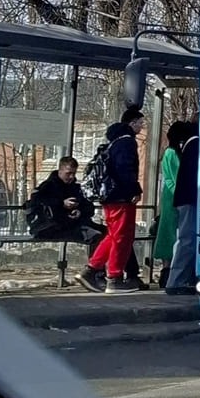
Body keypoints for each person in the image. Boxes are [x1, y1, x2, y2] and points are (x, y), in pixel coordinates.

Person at [74, 107, 145, 294]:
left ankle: (91, 270)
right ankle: (114, 278)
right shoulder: (127, 142)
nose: (141, 126)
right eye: (140, 122)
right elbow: (125, 169)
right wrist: (135, 189)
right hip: (121, 197)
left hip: (110, 196)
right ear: (131, 123)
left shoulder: (113, 142)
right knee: (122, 237)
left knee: (113, 235)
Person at [26, 156, 105, 247]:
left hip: (72, 224)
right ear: (60, 171)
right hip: (50, 227)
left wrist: (79, 212)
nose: (71, 177)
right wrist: (61, 203)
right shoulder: (47, 187)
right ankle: (97, 257)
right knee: (95, 236)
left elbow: (89, 208)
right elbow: (37, 202)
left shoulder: (76, 188)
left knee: (109, 233)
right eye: (68, 173)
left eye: (73, 173)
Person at [152, 121, 192, 288]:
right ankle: (168, 270)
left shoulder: (169, 152)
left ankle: (166, 269)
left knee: (169, 230)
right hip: (174, 195)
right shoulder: (172, 153)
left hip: (171, 194)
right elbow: (176, 176)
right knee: (172, 231)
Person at [165, 116, 200, 295]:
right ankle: (176, 281)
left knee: (187, 238)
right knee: (188, 239)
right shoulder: (195, 144)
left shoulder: (188, 144)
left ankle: (179, 280)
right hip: (190, 200)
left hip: (185, 199)